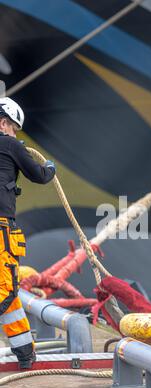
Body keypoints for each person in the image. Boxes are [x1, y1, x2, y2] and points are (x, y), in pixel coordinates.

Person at [0, 97, 55, 368]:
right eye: (14, 128)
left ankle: (25, 353)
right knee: (5, 290)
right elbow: (39, 175)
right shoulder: (9, 144)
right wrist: (51, 169)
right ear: (3, 123)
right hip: (0, 228)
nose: (15, 134)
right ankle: (25, 353)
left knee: (7, 293)